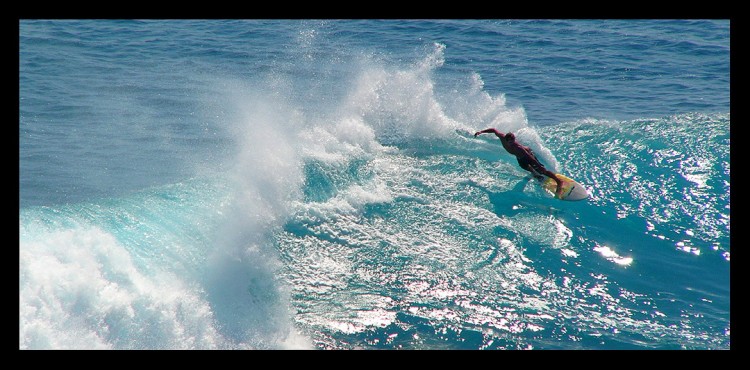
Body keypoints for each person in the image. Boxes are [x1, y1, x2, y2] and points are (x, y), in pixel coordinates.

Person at [474, 128, 564, 198]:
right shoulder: (501, 137)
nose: (511, 143)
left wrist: (537, 164)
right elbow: (493, 130)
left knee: (541, 170)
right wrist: (481, 132)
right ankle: (535, 174)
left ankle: (558, 182)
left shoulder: (518, 148)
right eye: (510, 142)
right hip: (519, 157)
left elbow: (530, 158)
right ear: (506, 139)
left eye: (513, 141)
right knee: (524, 167)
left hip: (527, 154)